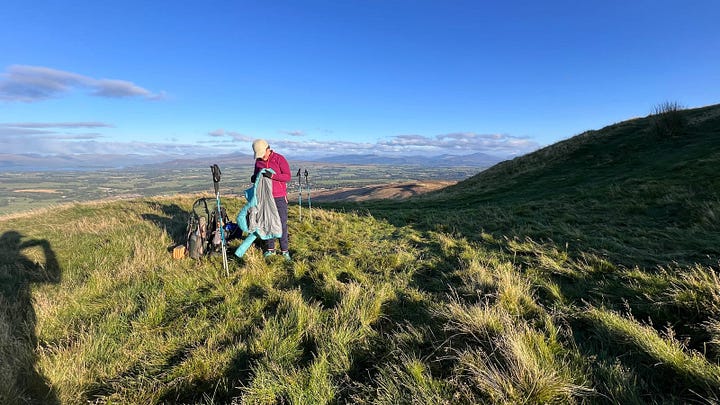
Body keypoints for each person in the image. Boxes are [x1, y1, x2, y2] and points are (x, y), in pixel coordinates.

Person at [250, 139, 292, 261]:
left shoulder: (279, 159)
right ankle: (270, 249)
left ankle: (285, 251)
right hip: (265, 197)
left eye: (262, 154)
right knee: (268, 222)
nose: (261, 157)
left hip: (279, 197)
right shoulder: (258, 162)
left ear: (268, 149)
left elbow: (287, 176)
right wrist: (254, 177)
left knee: (282, 224)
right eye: (259, 155)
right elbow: (255, 176)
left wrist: (273, 176)